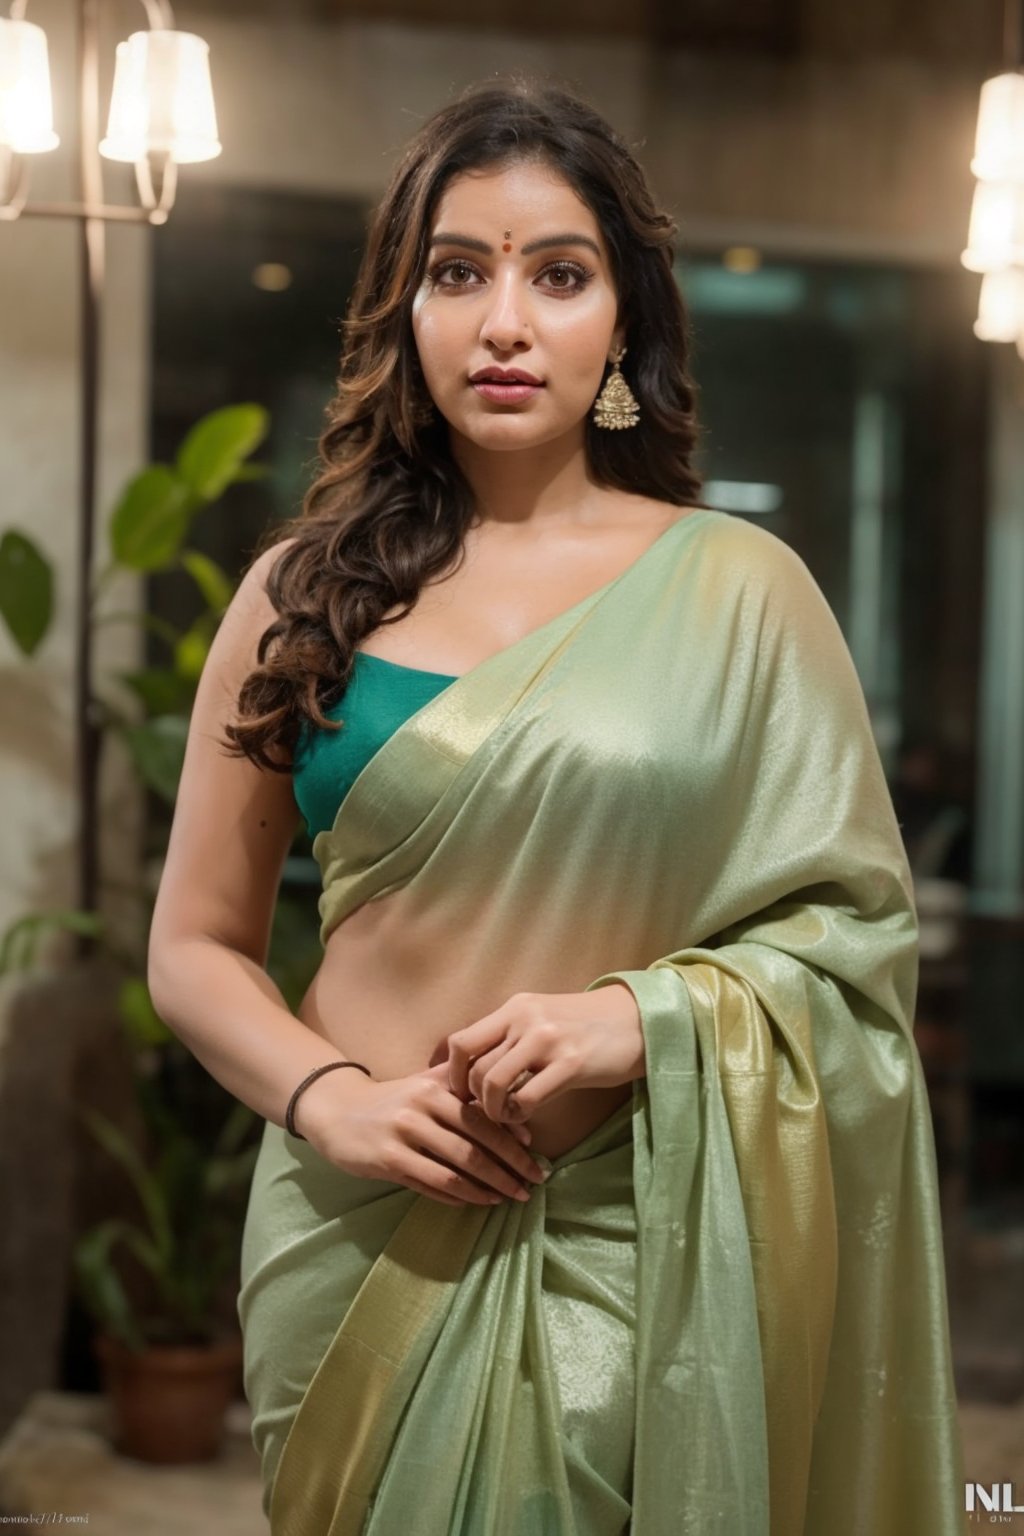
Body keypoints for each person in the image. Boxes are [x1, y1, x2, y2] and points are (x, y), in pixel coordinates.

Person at [148, 74, 968, 1536]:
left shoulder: (739, 593)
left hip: (634, 1247)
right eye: (458, 272)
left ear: (625, 325)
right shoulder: (304, 592)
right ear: (403, 310)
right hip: (351, 1238)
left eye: (559, 274)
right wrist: (333, 1103)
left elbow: (856, 948)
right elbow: (196, 947)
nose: (505, 321)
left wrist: (638, 1020)